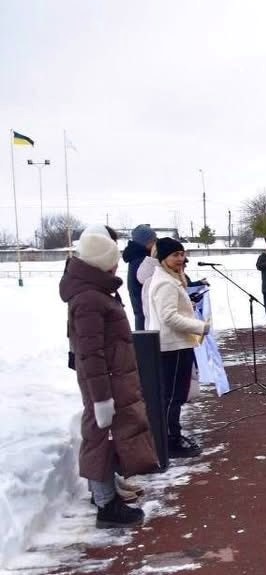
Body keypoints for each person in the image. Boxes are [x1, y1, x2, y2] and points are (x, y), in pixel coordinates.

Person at [61, 224, 159, 527]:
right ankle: (106, 506)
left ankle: (104, 493)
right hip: (105, 382)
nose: (117, 263)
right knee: (100, 437)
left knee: (103, 436)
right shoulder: (90, 299)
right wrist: (102, 398)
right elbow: (90, 354)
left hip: (110, 378)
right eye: (113, 259)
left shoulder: (94, 292)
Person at [147, 237, 211, 458]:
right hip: (172, 346)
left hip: (177, 344)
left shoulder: (171, 279)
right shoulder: (165, 282)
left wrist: (188, 306)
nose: (180, 259)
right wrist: (200, 326)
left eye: (182, 254)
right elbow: (169, 317)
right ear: (163, 258)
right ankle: (170, 440)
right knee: (173, 396)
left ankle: (172, 436)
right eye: (175, 255)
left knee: (176, 394)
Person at [121, 224, 156, 331]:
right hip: (146, 317)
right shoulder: (142, 261)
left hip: (143, 315)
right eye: (153, 240)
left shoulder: (137, 258)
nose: (155, 243)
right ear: (146, 242)